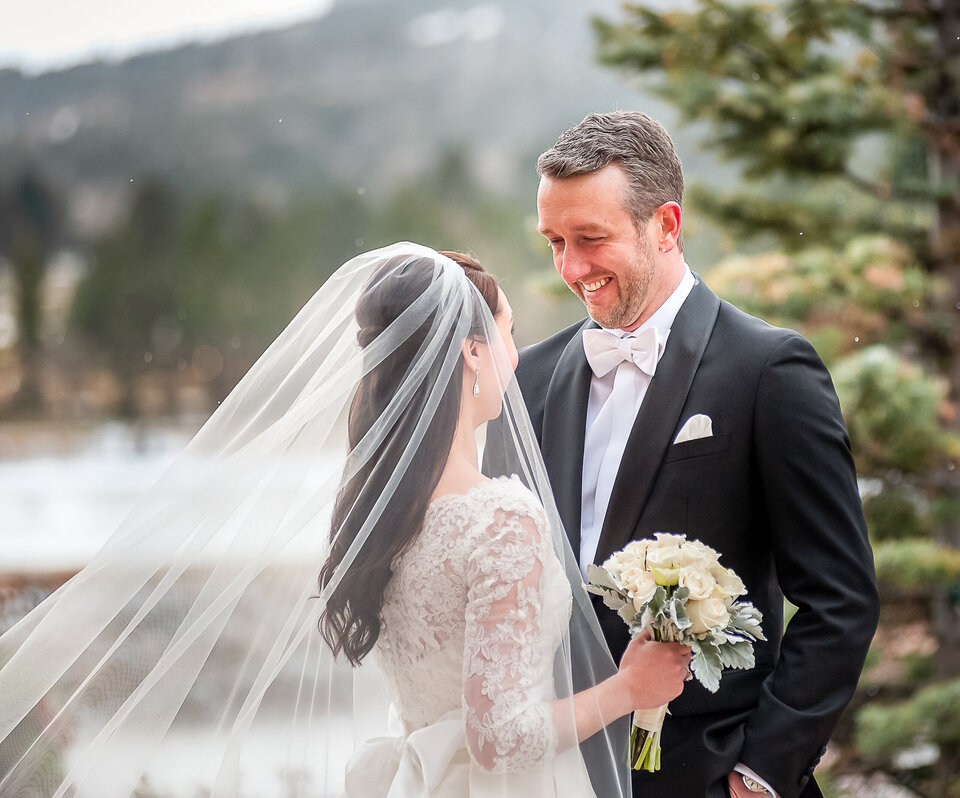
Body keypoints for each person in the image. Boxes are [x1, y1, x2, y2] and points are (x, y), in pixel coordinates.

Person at [0, 242, 688, 798]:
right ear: (469, 351)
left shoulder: (384, 512)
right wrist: (630, 688)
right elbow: (497, 737)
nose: (515, 356)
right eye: (505, 333)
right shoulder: (500, 519)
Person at [515, 112, 880, 798]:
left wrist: (758, 775)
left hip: (708, 776)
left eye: (591, 239)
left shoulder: (768, 370)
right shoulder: (530, 379)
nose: (571, 268)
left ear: (667, 225)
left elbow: (841, 600)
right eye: (555, 242)